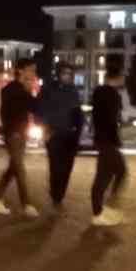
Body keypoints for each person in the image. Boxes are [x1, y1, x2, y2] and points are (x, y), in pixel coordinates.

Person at [0, 58, 41, 218]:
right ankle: (27, 204)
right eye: (31, 69)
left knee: (13, 168)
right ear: (21, 71)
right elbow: (10, 113)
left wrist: (30, 90)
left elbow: (34, 108)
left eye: (34, 70)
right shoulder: (11, 89)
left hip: (19, 133)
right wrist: (28, 90)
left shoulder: (23, 89)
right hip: (14, 134)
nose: (33, 73)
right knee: (19, 169)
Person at [35, 62, 84, 211]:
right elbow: (39, 111)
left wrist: (78, 132)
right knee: (56, 167)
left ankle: (60, 195)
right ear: (58, 74)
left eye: (70, 74)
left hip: (70, 136)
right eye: (65, 73)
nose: (68, 76)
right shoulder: (48, 90)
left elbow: (77, 113)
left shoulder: (73, 91)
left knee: (67, 167)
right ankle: (55, 194)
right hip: (54, 134)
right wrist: (45, 131)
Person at [90, 66, 129, 226]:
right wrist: (115, 139)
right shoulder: (113, 95)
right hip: (108, 140)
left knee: (106, 174)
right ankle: (101, 211)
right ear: (117, 77)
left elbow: (99, 116)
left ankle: (103, 210)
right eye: (122, 77)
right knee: (118, 172)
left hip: (102, 138)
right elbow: (113, 119)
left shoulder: (98, 92)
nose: (123, 80)